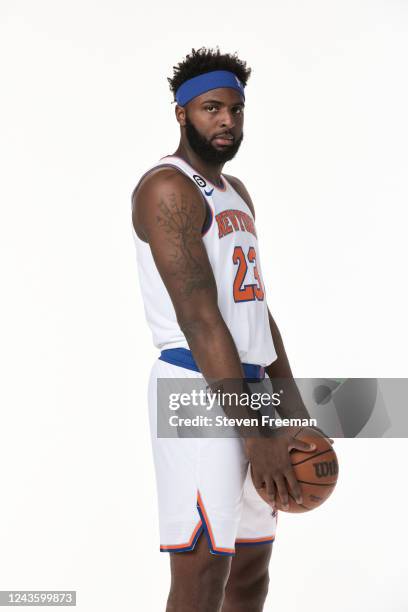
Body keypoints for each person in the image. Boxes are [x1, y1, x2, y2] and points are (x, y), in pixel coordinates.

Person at [131, 47, 324, 612]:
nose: (226, 121)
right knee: (203, 569)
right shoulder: (166, 189)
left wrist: (291, 413)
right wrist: (251, 433)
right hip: (195, 388)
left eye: (236, 110)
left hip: (251, 385)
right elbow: (199, 318)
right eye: (211, 108)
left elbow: (256, 311)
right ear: (181, 113)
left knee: (251, 567)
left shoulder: (237, 192)